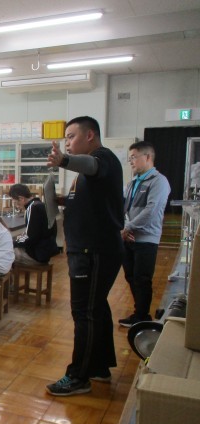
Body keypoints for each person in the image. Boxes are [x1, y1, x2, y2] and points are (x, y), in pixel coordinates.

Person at [45, 115, 124, 396]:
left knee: (84, 313)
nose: (67, 142)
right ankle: (99, 366)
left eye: (72, 136)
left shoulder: (103, 158)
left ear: (90, 135)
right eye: (66, 138)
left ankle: (78, 377)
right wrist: (61, 200)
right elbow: (89, 201)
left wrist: (64, 160)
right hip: (89, 250)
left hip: (94, 251)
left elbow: (92, 166)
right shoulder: (88, 172)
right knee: (96, 308)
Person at [119, 141, 171, 327]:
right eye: (129, 158)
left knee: (142, 278)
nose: (131, 162)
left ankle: (142, 316)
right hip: (128, 237)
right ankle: (139, 312)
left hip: (146, 239)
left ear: (147, 157)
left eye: (134, 157)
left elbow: (151, 211)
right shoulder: (132, 183)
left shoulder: (159, 181)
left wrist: (128, 228)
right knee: (131, 276)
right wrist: (125, 228)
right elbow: (123, 209)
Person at [9, 183, 59, 265]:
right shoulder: (41, 205)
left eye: (14, 201)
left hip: (37, 255)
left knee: (5, 251)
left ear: (21, 199)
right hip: (46, 251)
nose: (15, 205)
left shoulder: (33, 208)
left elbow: (31, 237)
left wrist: (13, 243)